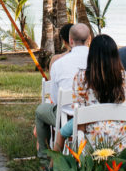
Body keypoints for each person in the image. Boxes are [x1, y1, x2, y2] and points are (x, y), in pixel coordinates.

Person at [58, 34, 126, 152]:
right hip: (120, 139)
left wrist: (80, 135)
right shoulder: (123, 76)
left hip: (92, 139)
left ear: (91, 55)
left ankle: (53, 167)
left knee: (61, 133)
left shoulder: (81, 77)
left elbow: (78, 113)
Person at [34, 23, 92, 157]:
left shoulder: (59, 64)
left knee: (40, 111)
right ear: (89, 39)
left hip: (66, 116)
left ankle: (44, 158)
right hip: (94, 114)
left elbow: (55, 98)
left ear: (70, 41)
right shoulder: (99, 60)